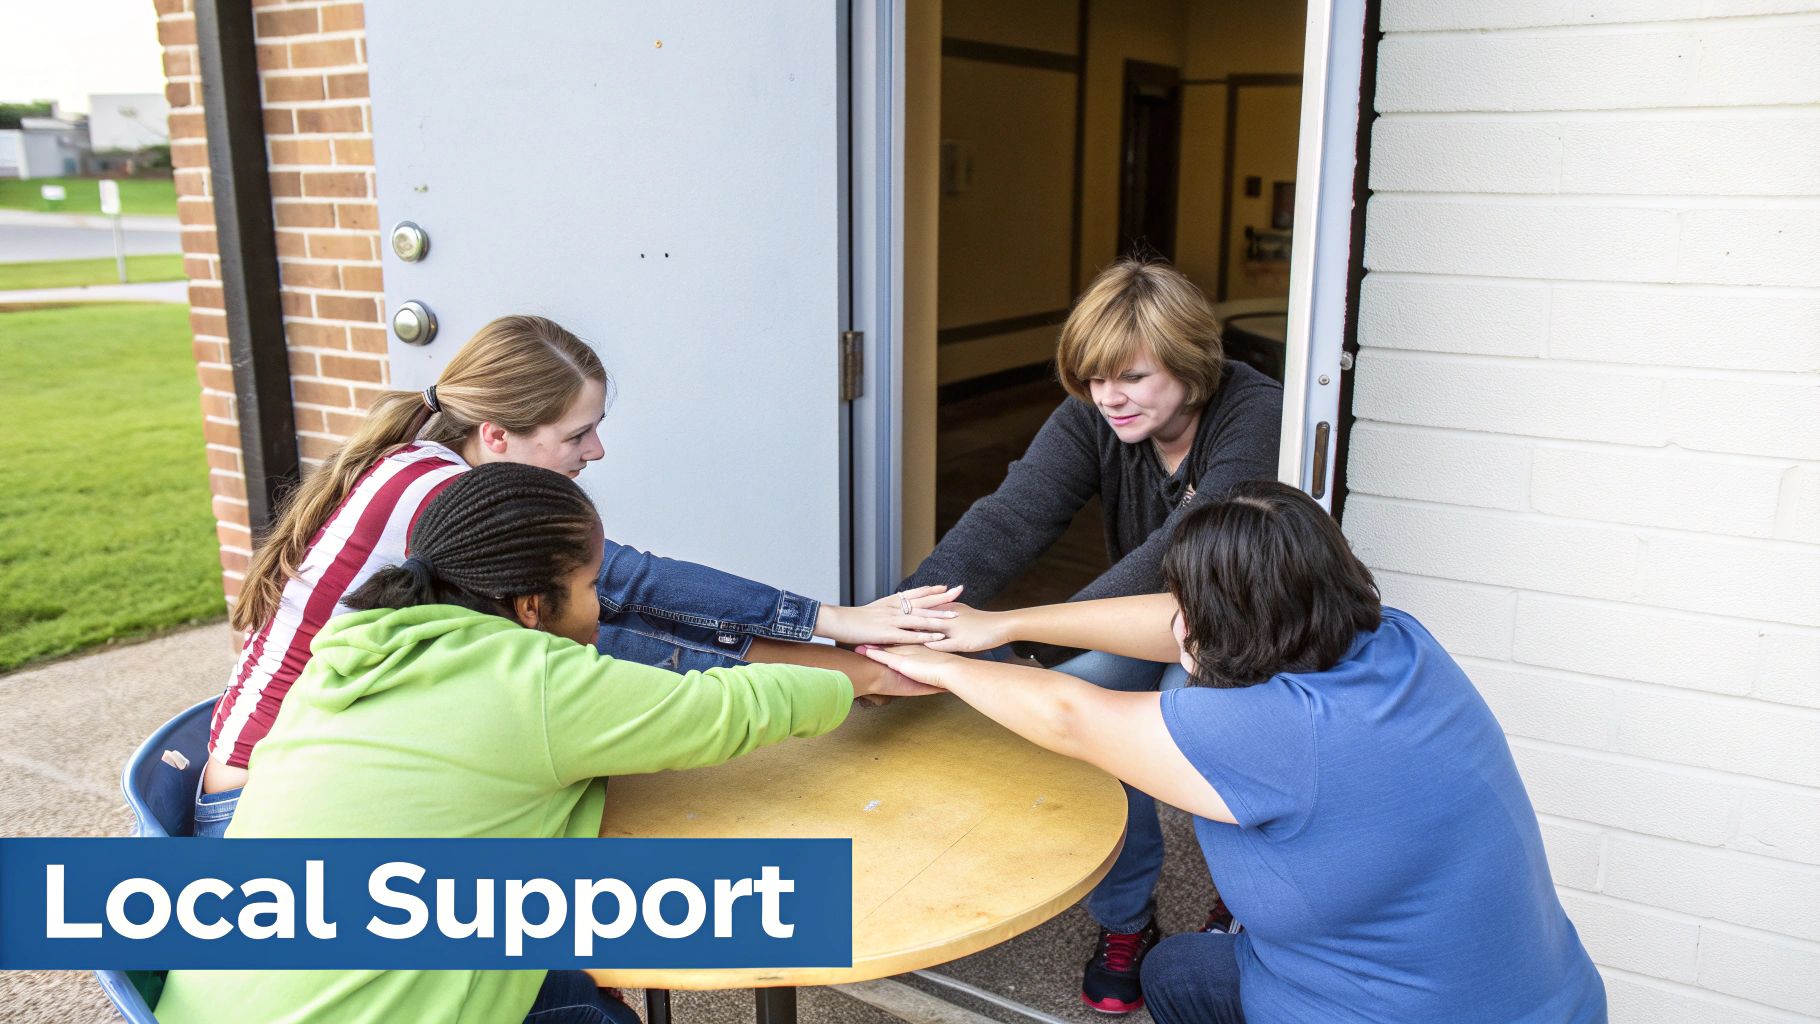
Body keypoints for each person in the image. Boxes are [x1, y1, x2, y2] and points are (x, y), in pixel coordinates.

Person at [156, 463, 938, 1024]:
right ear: (531, 605)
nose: (602, 607)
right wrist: (861, 680)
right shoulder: (526, 684)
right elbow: (723, 708)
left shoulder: (357, 649)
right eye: (594, 585)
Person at [866, 481, 1607, 1023]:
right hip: (1554, 1002)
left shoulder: (1272, 733)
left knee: (1180, 975)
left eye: (1191, 603)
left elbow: (1070, 717)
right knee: (1190, 966)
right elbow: (1176, 624)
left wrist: (940, 666)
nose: (1176, 620)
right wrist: (998, 625)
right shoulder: (1397, 643)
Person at [202, 314, 957, 837]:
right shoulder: (441, 497)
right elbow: (633, 594)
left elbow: (609, 616)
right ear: (496, 435)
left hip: (266, 782)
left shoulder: (428, 467)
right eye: (577, 433)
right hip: (265, 819)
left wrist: (832, 654)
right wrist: (841, 629)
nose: (594, 452)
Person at [899, 258, 1281, 1011]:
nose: (1109, 397)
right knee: (1086, 726)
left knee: (1191, 728)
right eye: (1094, 377)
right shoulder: (1095, 414)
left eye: (1132, 378)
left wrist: (1030, 642)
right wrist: (913, 614)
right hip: (1136, 614)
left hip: (1231, 625)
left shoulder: (1253, 410)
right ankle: (1126, 921)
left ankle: (1243, 914)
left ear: (1190, 363)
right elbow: (1013, 517)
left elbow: (1181, 547)